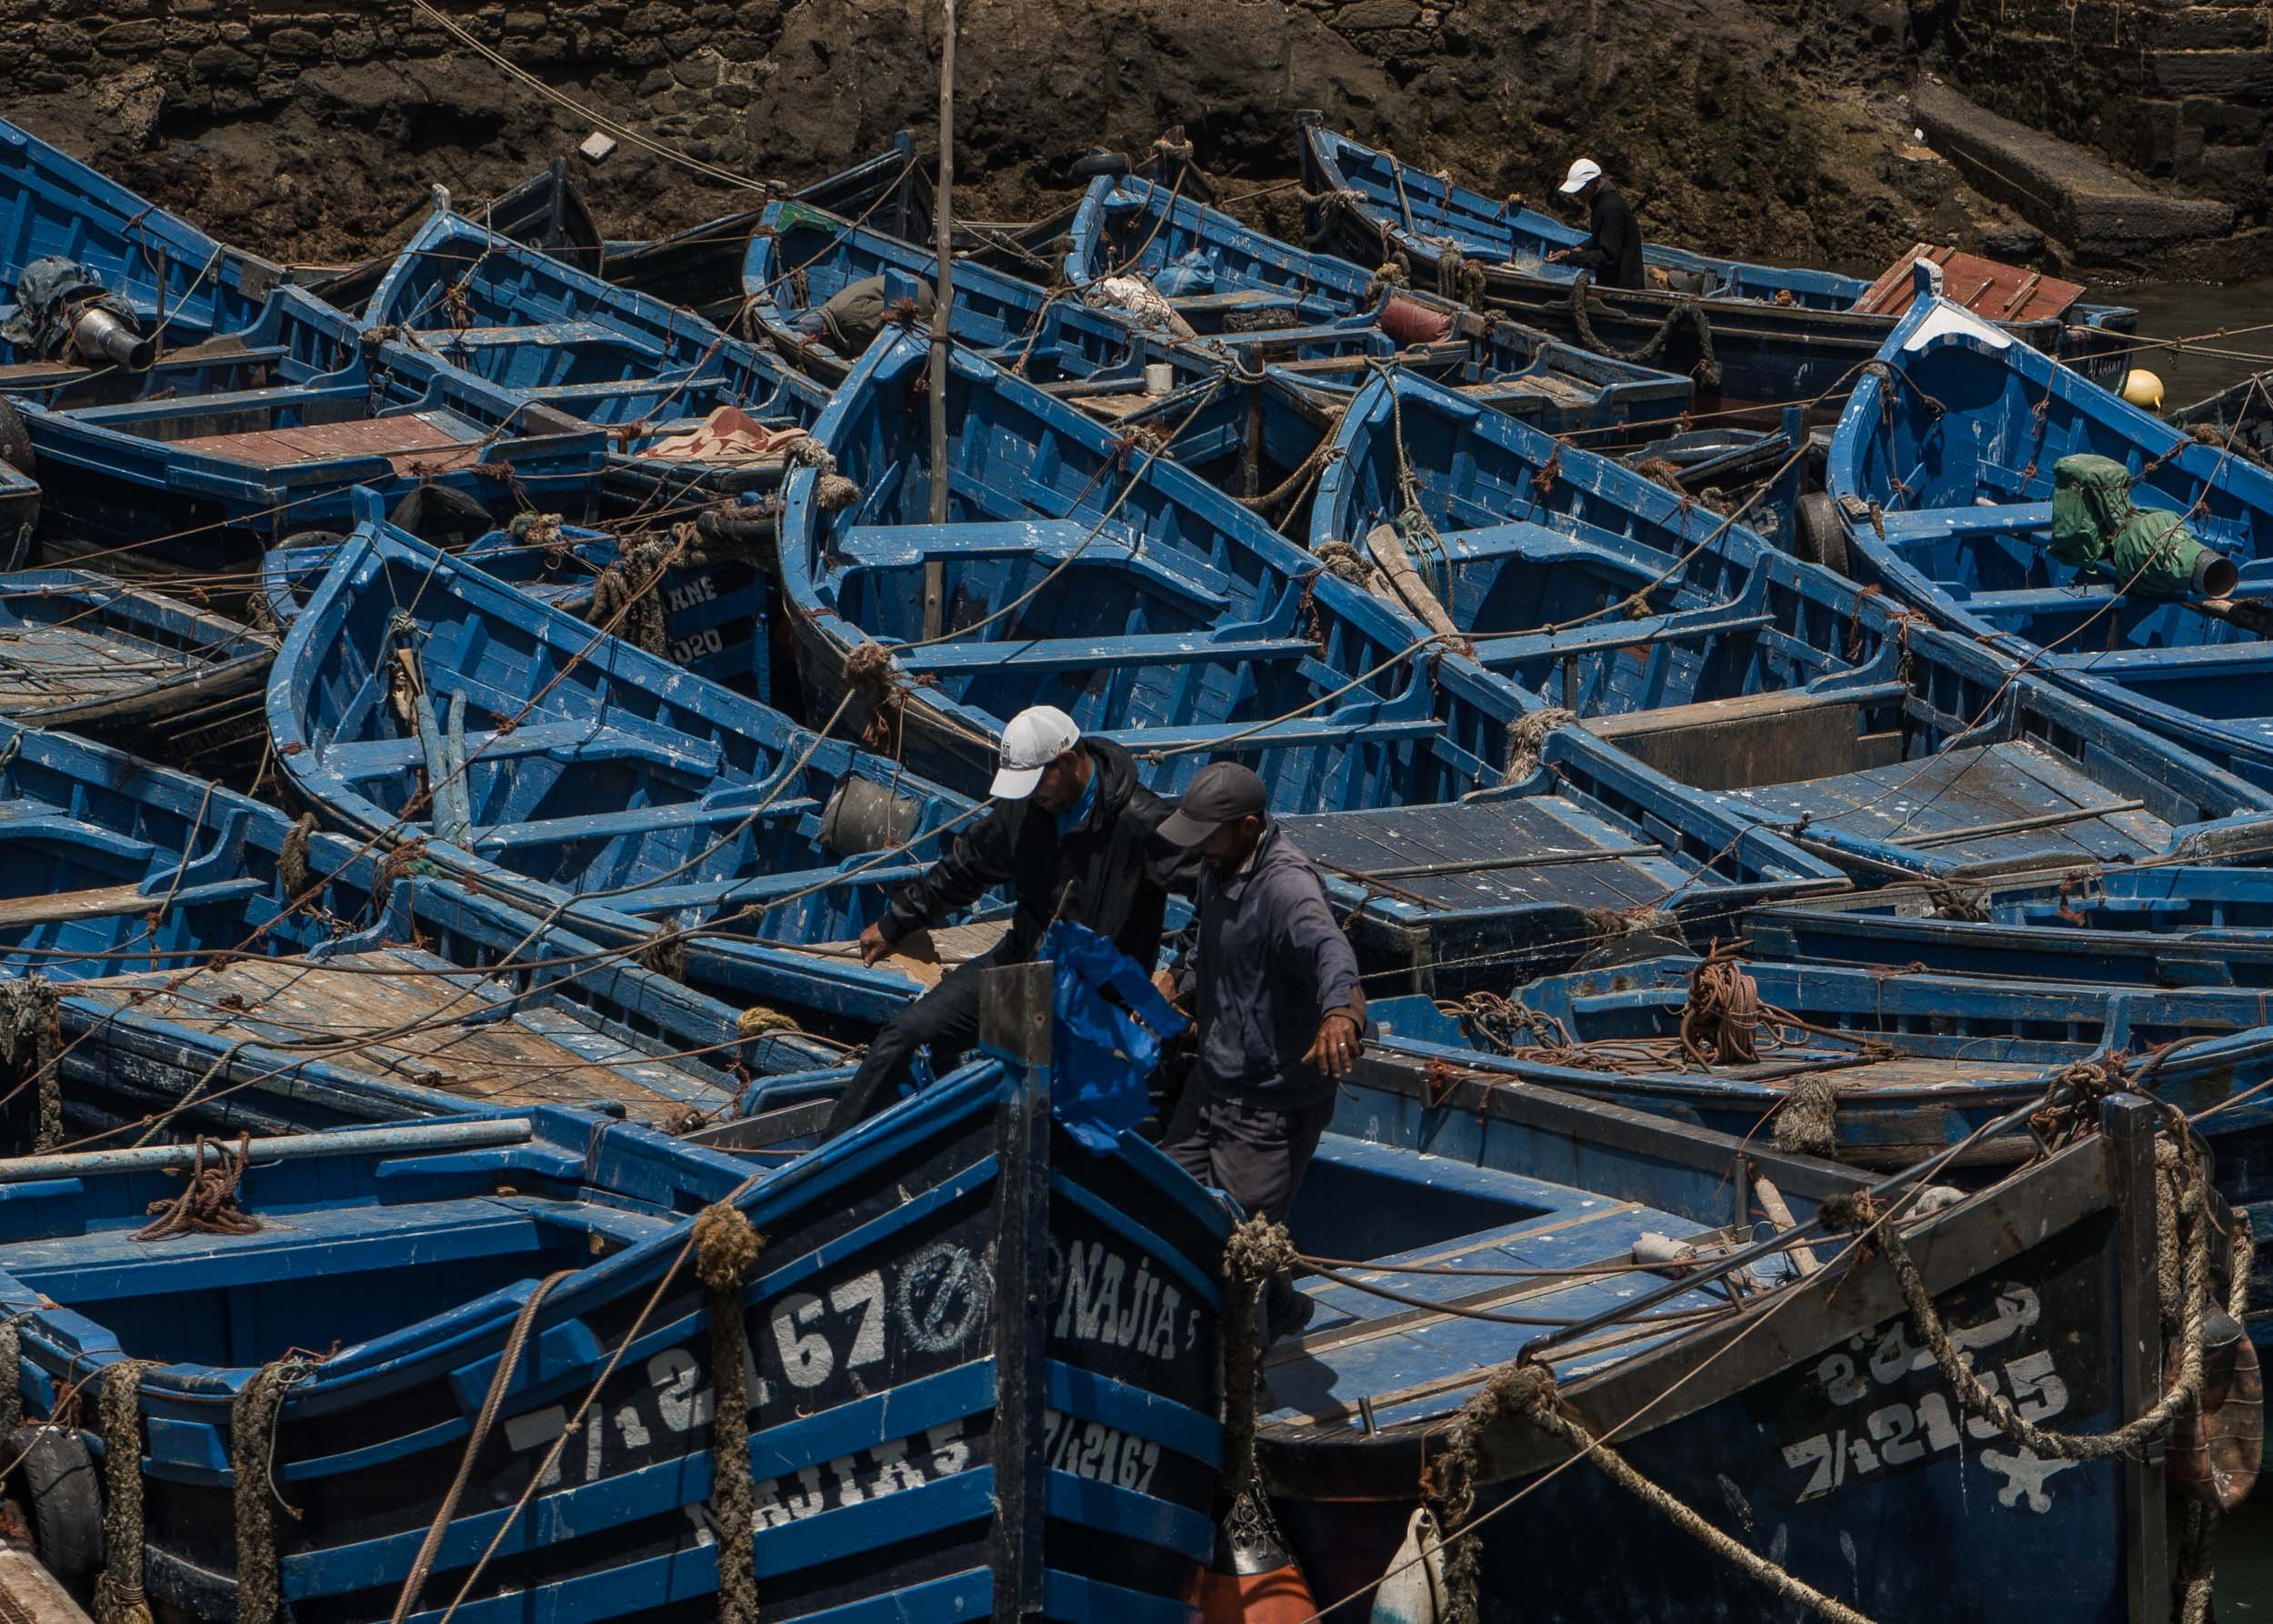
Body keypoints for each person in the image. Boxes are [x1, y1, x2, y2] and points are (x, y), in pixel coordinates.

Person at [826, 705, 1184, 1137]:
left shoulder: (1143, 823)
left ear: (1068, 762)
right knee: (906, 1037)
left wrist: (1183, 974)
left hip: (1095, 1001)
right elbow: (967, 866)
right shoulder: (1028, 808)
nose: (1031, 796)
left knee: (1026, 1111)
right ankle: (827, 1156)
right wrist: (896, 922)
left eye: (1037, 783)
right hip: (1019, 971)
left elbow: (1223, 888)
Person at [1153, 762, 1366, 1342]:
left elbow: (1331, 950)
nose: (1198, 847)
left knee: (1241, 1252)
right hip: (1212, 1081)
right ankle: (1284, 1302)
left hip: (1267, 1106)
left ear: (1249, 827)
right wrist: (1177, 979)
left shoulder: (1286, 889)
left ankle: (1247, 1374)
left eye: (1208, 835)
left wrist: (1339, 1012)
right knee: (1166, 1202)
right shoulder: (1218, 864)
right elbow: (1205, 937)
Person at [1546, 157, 1645, 291]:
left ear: (1594, 183)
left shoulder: (1610, 208)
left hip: (1622, 288)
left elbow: (1608, 257)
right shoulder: (1602, 202)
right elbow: (1602, 237)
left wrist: (1570, 257)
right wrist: (1579, 249)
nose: (1576, 194)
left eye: (1580, 189)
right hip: (1614, 284)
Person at [789, 274, 937, 356]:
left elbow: (887, 315)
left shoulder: (850, 317)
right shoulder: (830, 309)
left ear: (824, 333)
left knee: (921, 347)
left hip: (913, 295)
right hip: (912, 283)